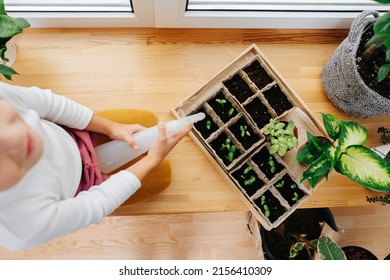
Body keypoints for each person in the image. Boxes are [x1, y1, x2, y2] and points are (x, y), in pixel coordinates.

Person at [0, 81, 192, 251]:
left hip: (75, 135)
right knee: (163, 176)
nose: (15, 138)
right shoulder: (19, 227)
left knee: (148, 121)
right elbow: (94, 203)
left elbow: (50, 104)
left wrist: (111, 127)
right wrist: (152, 160)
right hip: (88, 185)